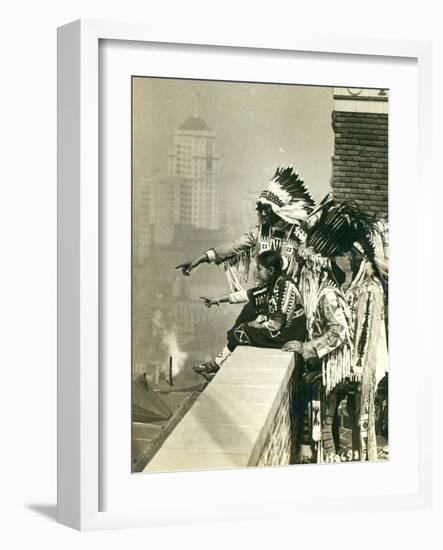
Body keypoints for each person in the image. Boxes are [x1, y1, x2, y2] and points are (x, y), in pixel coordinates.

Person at [282, 200, 380, 463]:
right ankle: (324, 461)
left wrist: (307, 348)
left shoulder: (327, 295)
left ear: (315, 269)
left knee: (322, 426)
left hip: (330, 372)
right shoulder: (325, 293)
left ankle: (325, 466)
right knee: (322, 426)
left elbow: (339, 332)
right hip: (325, 372)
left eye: (306, 269)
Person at [176, 165, 316, 291]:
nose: (262, 213)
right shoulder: (259, 233)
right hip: (263, 301)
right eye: (261, 209)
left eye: (267, 209)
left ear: (279, 208)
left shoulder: (300, 235)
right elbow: (233, 247)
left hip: (292, 304)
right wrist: (200, 259)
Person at [193, 250, 306, 381]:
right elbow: (248, 295)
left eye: (259, 269)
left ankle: (215, 365)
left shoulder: (284, 286)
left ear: (271, 270)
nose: (256, 273)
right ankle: (216, 365)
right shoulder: (274, 283)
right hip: (284, 330)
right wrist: (217, 300)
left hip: (289, 334)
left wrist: (258, 325)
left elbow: (276, 324)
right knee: (244, 328)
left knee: (242, 330)